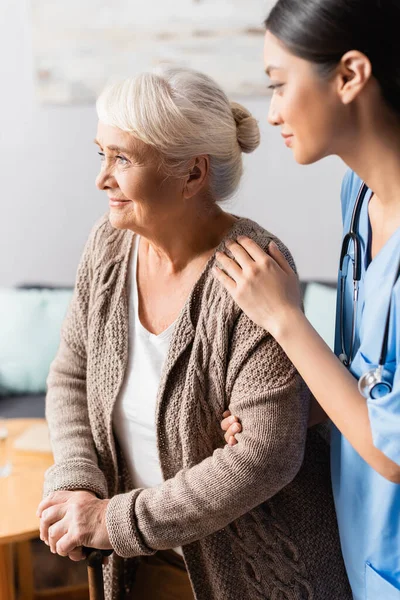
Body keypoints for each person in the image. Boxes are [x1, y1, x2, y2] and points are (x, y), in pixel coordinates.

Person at [36, 66, 350, 599]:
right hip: (143, 567)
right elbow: (71, 373)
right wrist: (75, 481)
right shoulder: (108, 248)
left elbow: (264, 456)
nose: (102, 178)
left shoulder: (253, 269)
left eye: (123, 159)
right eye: (101, 154)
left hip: (256, 577)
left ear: (192, 174)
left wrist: (113, 521)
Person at [217, 1, 400, 598]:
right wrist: (291, 412)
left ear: (350, 75)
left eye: (278, 85)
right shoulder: (357, 195)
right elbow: (369, 374)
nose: (270, 114)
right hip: (361, 545)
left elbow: (394, 448)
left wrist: (283, 316)